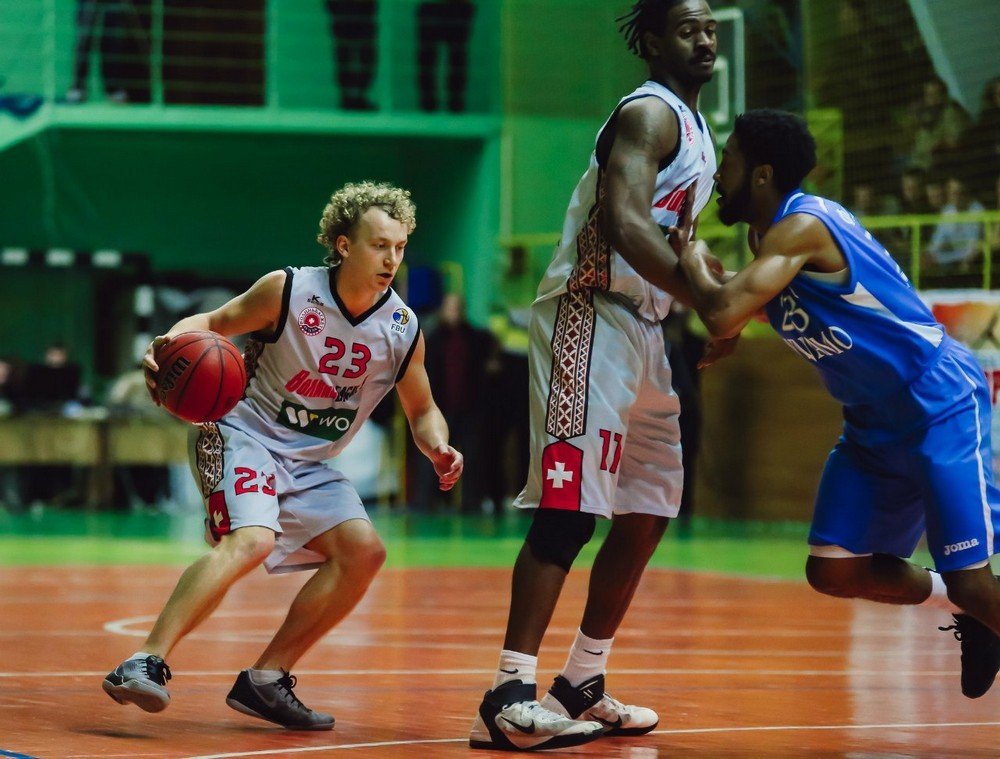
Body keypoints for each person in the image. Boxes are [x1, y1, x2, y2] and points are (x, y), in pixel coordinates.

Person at [102, 181, 463, 729]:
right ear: (344, 244)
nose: (391, 259)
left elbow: (423, 408)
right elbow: (212, 324)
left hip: (310, 463)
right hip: (242, 433)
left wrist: (437, 445)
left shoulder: (402, 327)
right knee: (252, 540)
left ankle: (266, 680)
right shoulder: (289, 290)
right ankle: (144, 660)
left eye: (399, 247)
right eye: (378, 245)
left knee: (364, 553)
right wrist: (167, 341)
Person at [470, 0, 729, 751]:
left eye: (710, 27)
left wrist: (712, 302)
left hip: (646, 328)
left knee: (649, 508)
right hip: (590, 313)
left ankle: (582, 679)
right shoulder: (647, 114)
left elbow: (678, 241)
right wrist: (707, 299)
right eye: (687, 29)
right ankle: (509, 694)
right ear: (651, 42)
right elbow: (625, 223)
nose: (705, 39)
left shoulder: (698, 131)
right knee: (569, 509)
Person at [676, 108, 1000, 700]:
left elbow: (721, 312)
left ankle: (976, 603)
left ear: (762, 174)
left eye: (729, 160)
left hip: (937, 401)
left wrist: (694, 259)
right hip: (872, 423)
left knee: (975, 582)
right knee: (833, 570)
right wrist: (731, 318)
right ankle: (967, 609)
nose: (719, 174)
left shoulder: (803, 226)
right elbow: (746, 315)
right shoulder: (765, 239)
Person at [414, 293, 497, 513]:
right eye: (450, 308)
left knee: (473, 456)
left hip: (469, 407)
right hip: (440, 407)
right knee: (433, 453)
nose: (454, 312)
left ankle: (472, 503)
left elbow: (487, 363)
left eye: (457, 308)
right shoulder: (432, 339)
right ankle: (426, 502)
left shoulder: (475, 338)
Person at [415, 0, 475, 112]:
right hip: (440, 7)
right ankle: (434, 107)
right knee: (432, 59)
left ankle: (450, 106)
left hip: (454, 7)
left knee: (456, 58)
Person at [324, 0, 378, 110]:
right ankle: (351, 97)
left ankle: (354, 96)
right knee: (349, 50)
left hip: (361, 7)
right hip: (348, 7)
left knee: (360, 50)